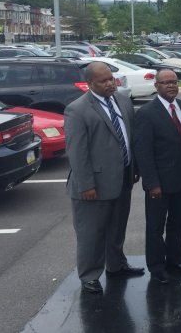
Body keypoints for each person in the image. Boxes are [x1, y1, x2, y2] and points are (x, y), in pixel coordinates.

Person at [64, 61, 144, 294]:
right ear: (90, 84)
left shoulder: (121, 100)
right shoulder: (77, 110)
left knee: (117, 227)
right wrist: (87, 184)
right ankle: (89, 275)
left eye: (111, 78)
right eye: (103, 81)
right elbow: (77, 152)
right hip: (93, 186)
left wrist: (134, 167)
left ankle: (116, 265)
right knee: (92, 233)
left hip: (122, 179)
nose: (110, 83)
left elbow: (129, 137)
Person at [133, 69, 181, 284]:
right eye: (165, 82)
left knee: (178, 224)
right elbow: (143, 152)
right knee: (155, 228)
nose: (171, 86)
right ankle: (157, 267)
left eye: (174, 82)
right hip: (159, 184)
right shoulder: (146, 113)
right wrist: (151, 183)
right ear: (156, 86)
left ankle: (175, 261)